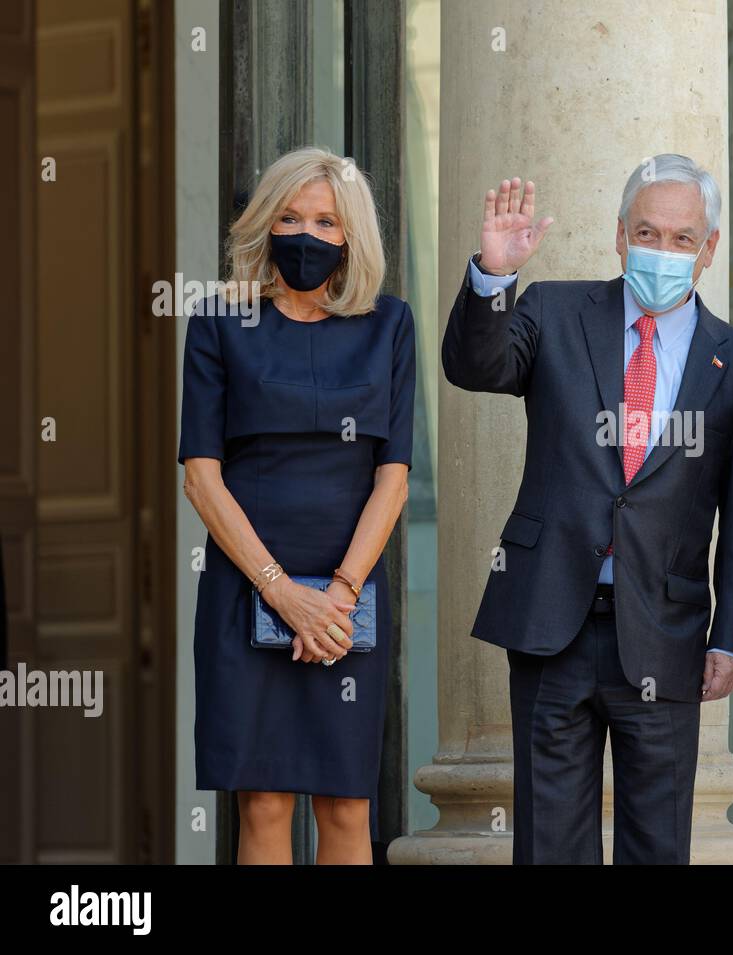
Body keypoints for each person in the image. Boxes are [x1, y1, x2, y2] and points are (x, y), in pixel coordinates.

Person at [441, 156, 733, 864]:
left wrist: (732, 635)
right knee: (550, 842)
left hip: (664, 633)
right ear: (619, 236)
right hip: (553, 620)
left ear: (707, 250)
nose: (662, 250)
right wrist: (494, 276)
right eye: (648, 231)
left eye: (681, 238)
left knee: (657, 843)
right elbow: (475, 365)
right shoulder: (553, 310)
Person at [179, 146, 415, 864]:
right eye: (289, 216)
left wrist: (335, 596)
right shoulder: (220, 321)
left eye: (324, 220)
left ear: (351, 237)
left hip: (349, 602)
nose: (305, 234)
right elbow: (201, 476)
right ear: (263, 224)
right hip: (247, 587)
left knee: (347, 803)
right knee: (265, 800)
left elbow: (394, 477)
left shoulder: (388, 325)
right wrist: (282, 592)